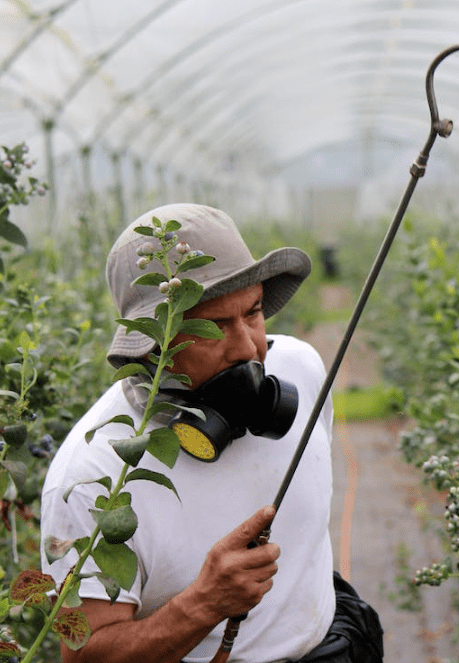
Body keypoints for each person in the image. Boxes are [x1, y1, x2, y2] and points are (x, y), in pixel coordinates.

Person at [40, 203, 383, 663]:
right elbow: (85, 656)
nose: (249, 348)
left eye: (254, 312)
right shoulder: (93, 478)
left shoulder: (300, 369)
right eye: (215, 326)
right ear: (151, 344)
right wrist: (203, 604)